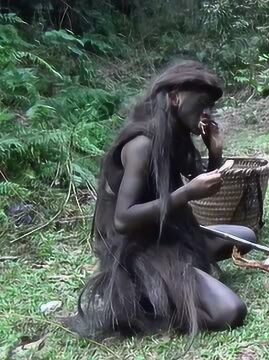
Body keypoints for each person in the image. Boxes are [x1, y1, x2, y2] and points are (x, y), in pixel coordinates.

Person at [66, 60, 257, 338]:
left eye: (210, 107)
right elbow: (123, 219)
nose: (206, 113)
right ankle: (153, 295)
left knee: (246, 235)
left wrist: (215, 152)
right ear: (175, 96)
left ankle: (186, 275)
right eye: (202, 103)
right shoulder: (142, 144)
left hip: (170, 233)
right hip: (141, 250)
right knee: (230, 311)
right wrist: (186, 193)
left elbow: (200, 182)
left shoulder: (173, 135)